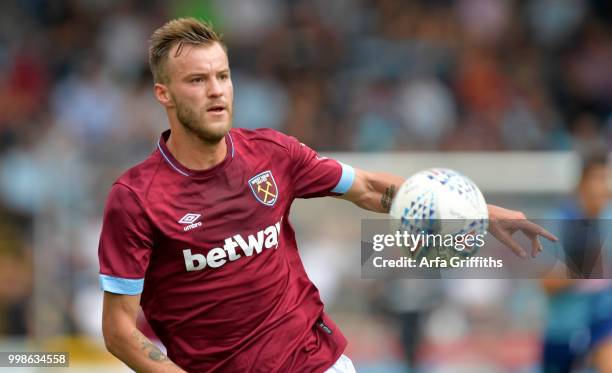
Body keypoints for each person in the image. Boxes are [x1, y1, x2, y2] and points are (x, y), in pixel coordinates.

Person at [98, 18, 556, 373]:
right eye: (197, 80)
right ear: (164, 94)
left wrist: (477, 210)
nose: (216, 90)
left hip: (317, 361)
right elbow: (119, 330)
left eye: (223, 75)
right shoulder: (137, 198)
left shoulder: (271, 154)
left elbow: (368, 189)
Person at [541, 156, 612, 373]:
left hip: (602, 324)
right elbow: (546, 284)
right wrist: (582, 267)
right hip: (564, 328)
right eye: (599, 179)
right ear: (583, 183)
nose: (605, 187)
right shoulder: (557, 223)